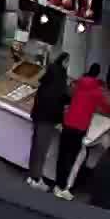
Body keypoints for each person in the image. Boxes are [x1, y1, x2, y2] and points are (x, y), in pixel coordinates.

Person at [55, 63, 110, 199]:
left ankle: (57, 185)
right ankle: (66, 188)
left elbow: (69, 95)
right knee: (74, 158)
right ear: (98, 75)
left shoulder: (77, 85)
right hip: (80, 128)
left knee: (62, 155)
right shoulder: (96, 91)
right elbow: (107, 108)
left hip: (68, 123)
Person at [26, 56, 71, 190]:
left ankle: (32, 175)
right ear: (64, 62)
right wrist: (61, 119)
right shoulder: (59, 81)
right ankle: (36, 178)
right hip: (48, 119)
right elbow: (58, 101)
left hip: (38, 116)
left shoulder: (48, 78)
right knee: (42, 149)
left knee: (35, 147)